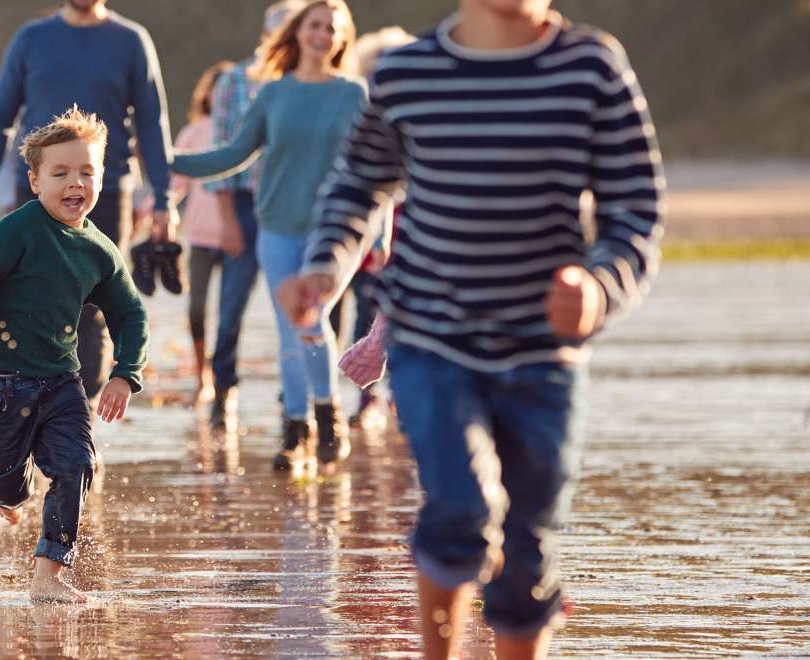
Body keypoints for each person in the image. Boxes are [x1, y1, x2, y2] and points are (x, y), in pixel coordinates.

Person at [278, 0, 665, 656]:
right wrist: (323, 270)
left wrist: (599, 290)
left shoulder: (591, 68)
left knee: (528, 544)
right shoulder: (411, 72)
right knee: (461, 506)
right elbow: (356, 186)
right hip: (434, 341)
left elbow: (636, 208)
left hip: (545, 356)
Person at [0, 107, 148, 603]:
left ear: (101, 178)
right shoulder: (18, 230)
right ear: (34, 180)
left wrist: (124, 374)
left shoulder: (98, 250)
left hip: (61, 383)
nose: (76, 183)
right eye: (61, 173)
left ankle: (48, 574)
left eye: (87, 172)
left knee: (76, 466)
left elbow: (130, 313)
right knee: (11, 487)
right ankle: (4, 490)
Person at [174, 0, 365, 474]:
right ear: (299, 33)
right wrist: (170, 161)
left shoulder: (355, 95)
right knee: (288, 333)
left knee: (311, 320)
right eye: (314, 25)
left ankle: (328, 414)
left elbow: (373, 171)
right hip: (277, 225)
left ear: (342, 39)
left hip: (335, 231)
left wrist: (377, 233)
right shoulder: (273, 93)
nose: (321, 35)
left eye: (331, 28)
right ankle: (295, 430)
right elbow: (233, 154)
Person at [0, 0, 175, 399]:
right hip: (35, 192)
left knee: (92, 308)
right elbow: (0, 116)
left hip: (107, 189)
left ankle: (81, 419)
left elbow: (152, 121)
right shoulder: (31, 38)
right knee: (30, 303)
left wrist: (163, 198)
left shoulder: (131, 40)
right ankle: (36, 411)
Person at [202, 0, 307, 430]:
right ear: (266, 34)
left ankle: (296, 402)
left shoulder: (309, 85)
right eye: (280, 30)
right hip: (245, 205)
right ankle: (223, 391)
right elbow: (221, 152)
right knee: (231, 307)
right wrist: (226, 219)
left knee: (303, 311)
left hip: (294, 206)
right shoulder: (235, 80)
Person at [342, 26, 418, 431]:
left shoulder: (423, 111)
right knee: (368, 311)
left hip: (413, 229)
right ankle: (367, 395)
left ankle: (403, 394)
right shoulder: (359, 111)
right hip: (365, 230)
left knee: (408, 312)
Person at [169, 60, 237, 404]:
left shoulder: (244, 130)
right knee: (196, 309)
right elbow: (175, 184)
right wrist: (159, 208)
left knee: (229, 314)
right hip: (199, 237)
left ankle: (226, 384)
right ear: (207, 92)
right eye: (216, 84)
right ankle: (202, 376)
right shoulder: (193, 132)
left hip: (236, 237)